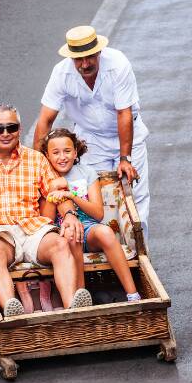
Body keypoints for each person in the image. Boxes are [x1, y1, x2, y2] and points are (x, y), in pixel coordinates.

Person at [0, 104, 92, 317]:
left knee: (61, 244)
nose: (5, 133)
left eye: (11, 127)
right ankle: (12, 311)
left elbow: (57, 191)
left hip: (33, 229)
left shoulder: (36, 159)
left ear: (19, 128)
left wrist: (70, 215)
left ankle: (73, 308)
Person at [33, 25, 152, 239]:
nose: (85, 64)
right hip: (92, 139)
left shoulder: (117, 64)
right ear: (71, 57)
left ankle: (139, 253)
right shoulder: (61, 73)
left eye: (89, 57)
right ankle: (108, 248)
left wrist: (125, 158)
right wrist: (38, 164)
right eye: (78, 59)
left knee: (135, 197)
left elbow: (123, 113)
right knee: (99, 195)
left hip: (127, 135)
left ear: (98, 52)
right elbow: (45, 119)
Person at [40, 128, 142, 303]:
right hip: (61, 233)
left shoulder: (86, 173)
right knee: (72, 235)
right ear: (47, 155)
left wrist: (72, 195)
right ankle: (80, 295)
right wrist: (52, 190)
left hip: (89, 227)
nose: (62, 157)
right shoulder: (46, 176)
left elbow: (98, 213)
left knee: (105, 232)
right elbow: (46, 219)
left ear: (75, 152)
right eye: (55, 153)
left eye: (67, 151)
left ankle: (133, 294)